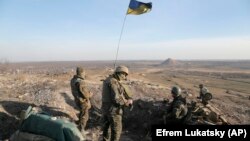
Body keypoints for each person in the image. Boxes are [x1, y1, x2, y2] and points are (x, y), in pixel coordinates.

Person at [101, 65, 133, 141]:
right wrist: (126, 103)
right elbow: (116, 99)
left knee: (106, 129)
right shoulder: (113, 82)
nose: (124, 77)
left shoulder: (108, 79)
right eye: (124, 74)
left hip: (106, 109)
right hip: (114, 111)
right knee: (116, 131)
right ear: (120, 73)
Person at [70, 67, 92, 132]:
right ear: (81, 72)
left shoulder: (73, 80)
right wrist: (90, 94)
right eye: (84, 72)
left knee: (82, 112)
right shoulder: (81, 82)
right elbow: (86, 95)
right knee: (85, 115)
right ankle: (81, 129)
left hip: (77, 99)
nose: (85, 74)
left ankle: (78, 123)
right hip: (82, 101)